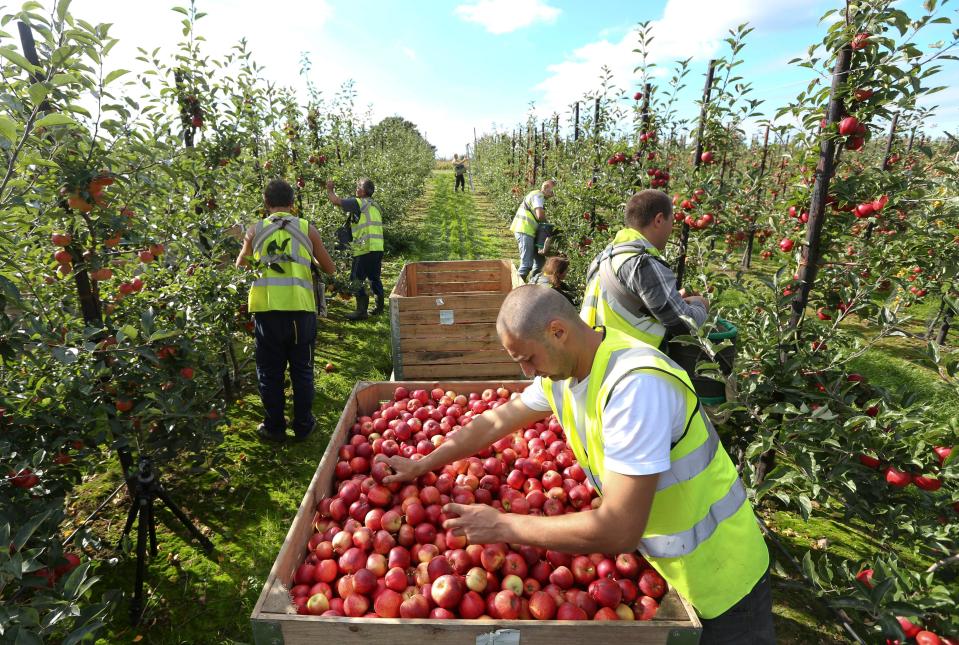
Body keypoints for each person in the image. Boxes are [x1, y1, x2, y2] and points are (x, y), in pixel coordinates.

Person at [383, 286, 774, 644]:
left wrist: (502, 525)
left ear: (557, 331)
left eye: (528, 358)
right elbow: (496, 421)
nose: (527, 372)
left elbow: (619, 528)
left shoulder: (634, 388)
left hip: (722, 580)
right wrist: (423, 464)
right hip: (668, 567)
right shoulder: (567, 373)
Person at [235, 179, 335, 442]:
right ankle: (303, 425)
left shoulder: (255, 230)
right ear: (293, 204)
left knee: (270, 372)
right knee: (302, 370)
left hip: (267, 311)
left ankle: (274, 427)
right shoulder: (306, 229)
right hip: (300, 311)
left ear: (266, 204)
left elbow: (240, 266)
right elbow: (329, 268)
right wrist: (308, 257)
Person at [581, 189, 709, 349]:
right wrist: (700, 305)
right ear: (659, 220)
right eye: (672, 222)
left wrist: (672, 298)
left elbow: (623, 306)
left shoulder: (603, 258)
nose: (672, 229)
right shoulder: (642, 264)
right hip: (632, 362)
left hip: (598, 354)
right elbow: (684, 326)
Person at [325, 177, 384, 320]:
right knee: (374, 277)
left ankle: (361, 311)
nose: (356, 189)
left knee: (356, 279)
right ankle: (379, 308)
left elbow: (336, 201)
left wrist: (329, 189)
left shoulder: (358, 202)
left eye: (359, 187)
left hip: (363, 248)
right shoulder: (375, 205)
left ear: (363, 191)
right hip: (377, 247)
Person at [509, 180, 555, 281]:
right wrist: (550, 225)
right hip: (524, 230)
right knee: (527, 265)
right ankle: (516, 289)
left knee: (540, 263)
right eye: (552, 191)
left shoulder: (537, 196)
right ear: (546, 187)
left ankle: (532, 284)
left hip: (531, 232)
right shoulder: (538, 196)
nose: (552, 195)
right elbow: (539, 215)